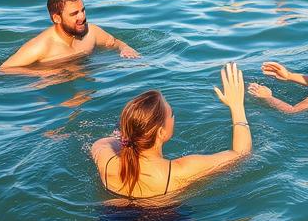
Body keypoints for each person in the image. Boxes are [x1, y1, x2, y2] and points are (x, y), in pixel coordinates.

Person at [91, 63, 252, 200]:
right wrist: (237, 106)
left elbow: (101, 143)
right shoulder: (179, 171)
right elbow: (241, 154)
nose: (174, 117)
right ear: (161, 133)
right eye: (172, 114)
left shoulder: (107, 162)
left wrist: (126, 137)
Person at [0, 0, 138, 69]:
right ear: (57, 18)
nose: (82, 17)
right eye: (74, 14)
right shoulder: (41, 46)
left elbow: (114, 42)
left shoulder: (91, 32)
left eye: (83, 10)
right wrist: (45, 73)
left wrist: (125, 47)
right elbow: (5, 70)